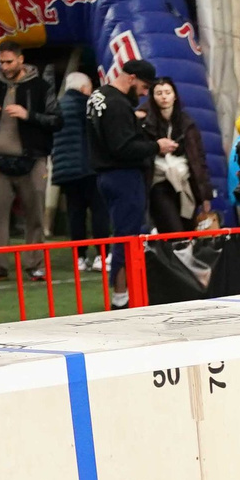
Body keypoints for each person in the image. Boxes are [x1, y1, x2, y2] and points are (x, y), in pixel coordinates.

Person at [0, 43, 57, 267]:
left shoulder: (41, 86)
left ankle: (35, 264)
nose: (4, 66)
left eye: (9, 61)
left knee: (35, 215)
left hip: (33, 159)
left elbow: (56, 120)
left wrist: (28, 115)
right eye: (1, 62)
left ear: (21, 60)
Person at [88, 58, 157, 306]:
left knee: (123, 234)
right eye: (144, 86)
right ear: (132, 78)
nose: (144, 93)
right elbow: (123, 147)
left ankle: (124, 293)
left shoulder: (98, 96)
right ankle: (121, 297)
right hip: (123, 175)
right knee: (127, 237)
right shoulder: (117, 104)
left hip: (105, 176)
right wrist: (156, 145)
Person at [143, 76, 215, 235]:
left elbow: (198, 159)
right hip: (159, 182)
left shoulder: (187, 123)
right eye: (159, 93)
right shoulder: (146, 123)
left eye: (168, 92)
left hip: (186, 183)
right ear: (152, 97)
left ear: (175, 95)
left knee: (188, 231)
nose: (164, 97)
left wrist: (205, 195)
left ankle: (184, 258)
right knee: (174, 232)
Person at [51, 70, 99, 261]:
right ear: (83, 88)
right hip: (89, 167)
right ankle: (102, 255)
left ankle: (80, 257)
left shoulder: (57, 107)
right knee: (98, 211)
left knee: (75, 213)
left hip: (65, 169)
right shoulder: (86, 105)